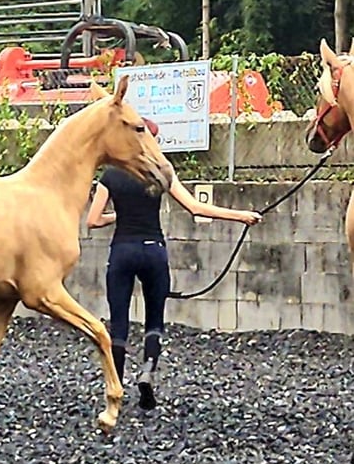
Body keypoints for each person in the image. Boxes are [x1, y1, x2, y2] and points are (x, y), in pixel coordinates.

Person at [86, 141, 262, 411]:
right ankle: (147, 372)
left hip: (122, 252)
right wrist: (240, 216)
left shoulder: (111, 174)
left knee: (118, 323)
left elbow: (93, 220)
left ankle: (115, 392)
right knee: (154, 320)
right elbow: (195, 208)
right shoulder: (161, 172)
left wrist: (117, 216)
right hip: (154, 252)